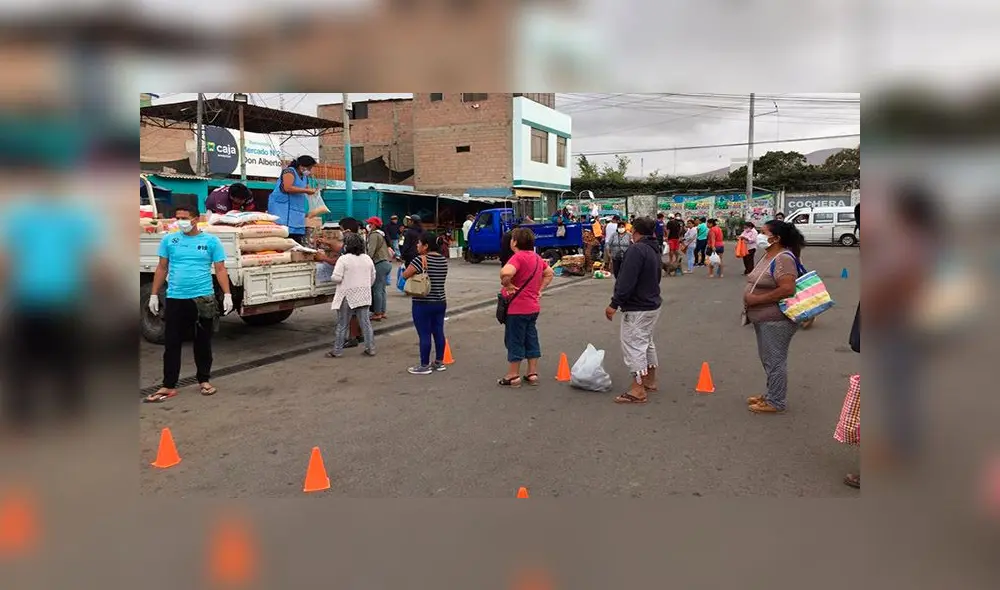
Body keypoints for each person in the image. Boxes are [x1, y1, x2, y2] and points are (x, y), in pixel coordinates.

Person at [145, 204, 233, 403]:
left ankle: (204, 380)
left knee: (202, 342)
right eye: (178, 218)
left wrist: (227, 294)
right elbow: (162, 268)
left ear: (195, 219)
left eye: (184, 218)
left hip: (202, 299)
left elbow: (220, 269)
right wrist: (153, 294)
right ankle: (168, 385)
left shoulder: (211, 241)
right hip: (175, 297)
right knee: (172, 343)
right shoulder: (169, 240)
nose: (180, 222)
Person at [743, 220, 806, 414]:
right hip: (763, 318)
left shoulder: (783, 258)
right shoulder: (769, 254)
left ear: (776, 238)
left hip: (776, 319)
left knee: (775, 360)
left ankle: (776, 401)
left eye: (763, 232)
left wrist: (757, 299)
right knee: (768, 359)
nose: (759, 236)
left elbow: (787, 289)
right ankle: (771, 393)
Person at [605, 217, 662, 405]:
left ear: (635, 231)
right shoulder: (654, 248)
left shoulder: (637, 249)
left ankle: (638, 389)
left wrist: (614, 303)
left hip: (638, 306)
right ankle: (649, 380)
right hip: (651, 303)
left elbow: (626, 280)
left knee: (634, 345)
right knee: (646, 342)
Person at [497, 228, 555, 387]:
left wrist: (507, 284)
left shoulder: (518, 257)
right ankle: (532, 373)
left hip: (517, 308)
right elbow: (549, 273)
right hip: (533, 307)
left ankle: (513, 375)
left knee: (514, 340)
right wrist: (539, 290)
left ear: (515, 242)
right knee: (531, 338)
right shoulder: (536, 257)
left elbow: (505, 272)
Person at [402, 232, 449, 375]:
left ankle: (424, 365)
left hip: (423, 302)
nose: (417, 245)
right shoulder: (443, 260)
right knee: (438, 331)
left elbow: (405, 275)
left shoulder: (419, 260)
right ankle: (439, 362)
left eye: (419, 243)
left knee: (424, 333)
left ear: (426, 246)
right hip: (440, 301)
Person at [325, 232, 377, 358]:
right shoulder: (367, 258)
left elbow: (337, 278)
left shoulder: (343, 259)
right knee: (366, 324)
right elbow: (372, 277)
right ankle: (370, 348)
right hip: (363, 294)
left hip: (346, 295)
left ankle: (337, 350)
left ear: (347, 245)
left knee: (342, 324)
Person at [267, 155, 317, 244]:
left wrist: (311, 191)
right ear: (302, 166)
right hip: (282, 208)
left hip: (296, 209)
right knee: (284, 233)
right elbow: (287, 187)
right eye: (309, 168)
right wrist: (306, 190)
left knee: (296, 236)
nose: (310, 170)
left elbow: (306, 188)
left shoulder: (305, 177)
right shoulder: (289, 171)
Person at [366, 216, 393, 321]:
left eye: (370, 224)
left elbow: (371, 251)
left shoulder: (374, 235)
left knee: (377, 290)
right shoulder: (381, 234)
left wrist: (365, 262)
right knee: (382, 289)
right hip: (386, 263)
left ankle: (377, 313)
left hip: (379, 263)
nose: (368, 226)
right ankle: (382, 311)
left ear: (373, 225)